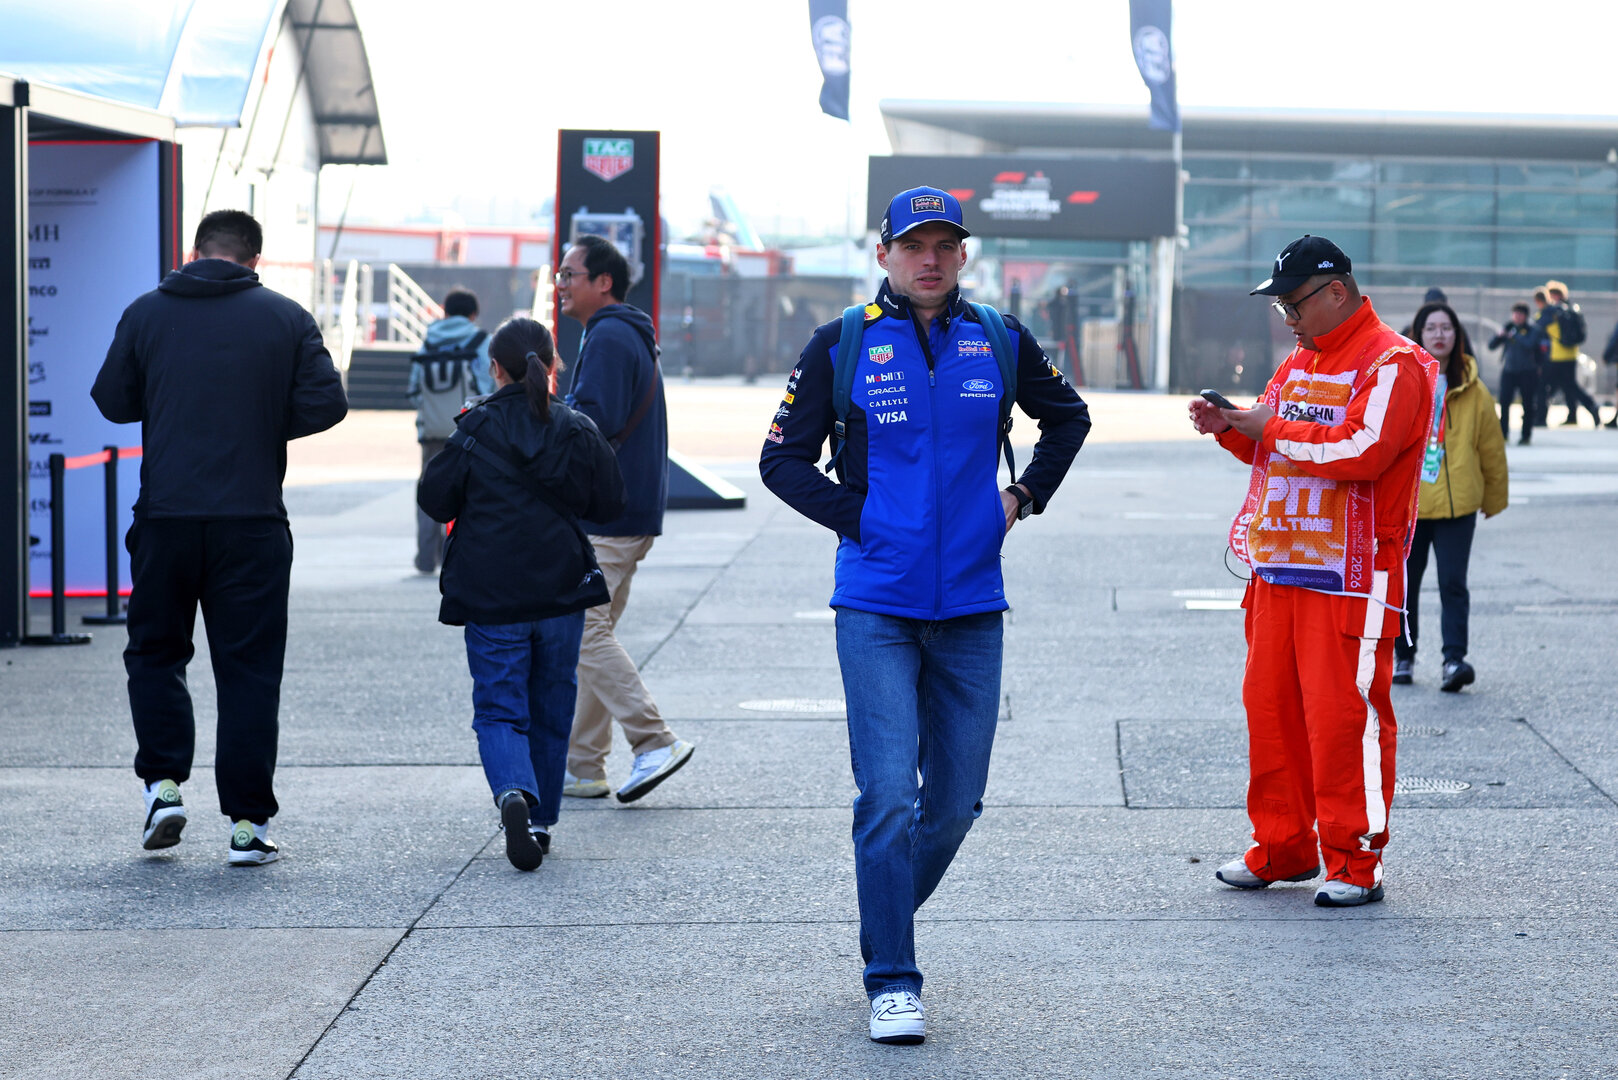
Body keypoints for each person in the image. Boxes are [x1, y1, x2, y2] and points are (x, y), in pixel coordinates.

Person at [760, 186, 1090, 1044]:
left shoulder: (1002, 339)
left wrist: (1020, 496)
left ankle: (883, 918)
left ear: (963, 255)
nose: (930, 259)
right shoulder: (842, 343)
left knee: (955, 804)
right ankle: (893, 978)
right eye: (914, 246)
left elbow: (1069, 418)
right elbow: (780, 462)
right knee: (886, 799)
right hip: (876, 604)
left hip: (975, 605)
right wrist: (862, 521)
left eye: (945, 244)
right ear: (885, 257)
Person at [1189, 235, 1438, 910]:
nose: (1288, 319)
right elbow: (1273, 446)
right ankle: (1282, 847)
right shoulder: (1300, 362)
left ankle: (1356, 862)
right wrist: (1231, 426)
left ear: (1337, 291)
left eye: (1294, 303)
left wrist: (1265, 429)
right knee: (1271, 714)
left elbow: (1361, 450)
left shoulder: (1396, 363)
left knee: (1343, 720)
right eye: (1281, 308)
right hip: (1281, 571)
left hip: (1354, 578)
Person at [90, 209, 348, 864]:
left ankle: (165, 787)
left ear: (196, 252)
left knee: (155, 655)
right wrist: (255, 418)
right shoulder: (286, 318)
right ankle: (247, 826)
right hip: (252, 524)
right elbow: (326, 403)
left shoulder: (147, 312)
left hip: (166, 520)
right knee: (249, 673)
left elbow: (113, 400)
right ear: (254, 261)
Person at [417, 318, 625, 870]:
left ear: (495, 368)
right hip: (560, 592)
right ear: (554, 364)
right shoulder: (576, 426)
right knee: (553, 707)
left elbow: (435, 499)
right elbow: (611, 503)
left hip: (492, 594)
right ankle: (540, 821)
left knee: (499, 708)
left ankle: (512, 791)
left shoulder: (476, 427)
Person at [554, 234, 693, 803]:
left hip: (610, 514)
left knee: (580, 629)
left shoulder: (610, 335)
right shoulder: (622, 331)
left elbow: (592, 421)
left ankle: (653, 739)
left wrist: (544, 415)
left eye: (570, 274)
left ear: (602, 282)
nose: (560, 283)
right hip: (629, 508)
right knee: (596, 628)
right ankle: (584, 765)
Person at [1393, 302, 1509, 692]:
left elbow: (1491, 448)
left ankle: (1453, 660)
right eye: (1431, 329)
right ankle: (1404, 658)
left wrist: (1494, 497)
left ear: (1457, 336)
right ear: (1418, 335)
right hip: (1410, 504)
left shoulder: (1475, 390)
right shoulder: (1402, 381)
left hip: (1459, 503)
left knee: (1453, 584)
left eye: (1446, 328)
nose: (1439, 335)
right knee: (1404, 583)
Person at [409, 288, 496, 574]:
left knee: (428, 487)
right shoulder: (481, 340)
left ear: (445, 313)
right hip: (471, 432)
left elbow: (413, 391)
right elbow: (492, 384)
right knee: (469, 492)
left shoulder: (428, 342)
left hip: (432, 432)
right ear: (473, 315)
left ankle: (425, 557)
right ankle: (458, 555)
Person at [1535, 280, 1602, 427]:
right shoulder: (1570, 309)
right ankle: (1576, 414)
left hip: (1556, 356)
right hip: (1570, 355)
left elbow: (1537, 325)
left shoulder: (1552, 311)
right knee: (1569, 386)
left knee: (1545, 386)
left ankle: (1540, 417)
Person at [1489, 302, 1544, 445]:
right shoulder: (1508, 327)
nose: (1517, 317)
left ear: (1525, 316)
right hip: (1509, 371)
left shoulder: (1532, 330)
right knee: (1504, 402)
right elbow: (1492, 345)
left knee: (1527, 404)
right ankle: (1503, 434)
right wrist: (1500, 335)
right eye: (1515, 314)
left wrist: (1515, 335)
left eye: (1520, 314)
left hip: (1527, 372)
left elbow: (1529, 344)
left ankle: (1526, 436)